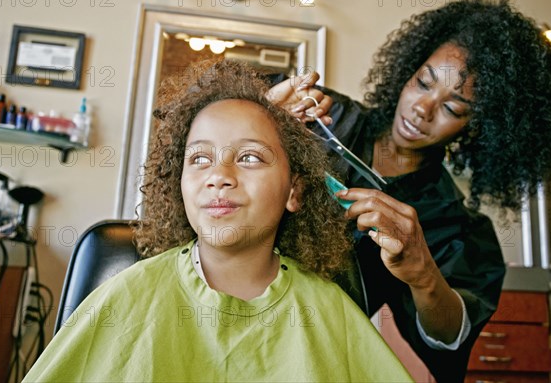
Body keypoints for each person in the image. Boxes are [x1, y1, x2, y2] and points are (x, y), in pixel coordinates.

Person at [23, 60, 413, 382]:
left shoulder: (330, 312)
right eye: (200, 159)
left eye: (249, 158)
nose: (219, 175)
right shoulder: (127, 295)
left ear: (295, 191)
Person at [268, 0, 551, 382]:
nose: (422, 109)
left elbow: (449, 338)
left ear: (479, 126)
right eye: (423, 83)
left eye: (452, 108)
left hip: (309, 355)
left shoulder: (454, 225)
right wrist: (260, 114)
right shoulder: (320, 114)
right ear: (408, 71)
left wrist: (423, 272)